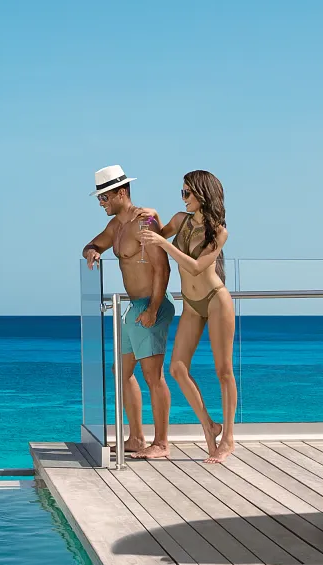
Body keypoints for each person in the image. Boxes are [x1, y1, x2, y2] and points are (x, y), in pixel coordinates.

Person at [139, 170, 237, 462]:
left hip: (216, 299)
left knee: (224, 371)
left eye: (187, 193)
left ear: (203, 194)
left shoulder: (219, 231)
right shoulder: (180, 221)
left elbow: (196, 266)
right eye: (182, 193)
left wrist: (166, 246)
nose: (183, 198)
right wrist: (148, 218)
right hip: (192, 304)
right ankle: (209, 425)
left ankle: (228, 438)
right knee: (177, 368)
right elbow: (157, 234)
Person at [80, 165, 174, 459]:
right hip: (134, 307)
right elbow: (91, 244)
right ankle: (136, 437)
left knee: (153, 375)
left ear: (122, 192)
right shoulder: (116, 228)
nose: (101, 203)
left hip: (152, 305)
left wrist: (154, 309)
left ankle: (161, 443)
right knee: (120, 372)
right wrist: (92, 252)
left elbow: (163, 267)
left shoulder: (144, 221)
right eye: (99, 198)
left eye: (105, 197)